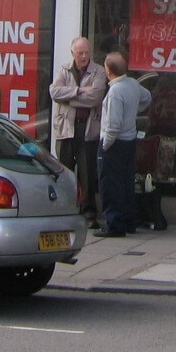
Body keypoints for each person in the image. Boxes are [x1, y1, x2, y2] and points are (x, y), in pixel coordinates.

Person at [49, 36, 107, 226]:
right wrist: (80, 91)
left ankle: (89, 213)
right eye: (80, 53)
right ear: (72, 53)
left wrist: (68, 96)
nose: (84, 56)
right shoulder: (64, 70)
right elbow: (54, 93)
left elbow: (95, 97)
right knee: (64, 171)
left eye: (87, 52)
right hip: (66, 127)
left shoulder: (98, 71)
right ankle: (65, 209)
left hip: (87, 127)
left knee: (87, 172)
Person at [96, 52, 151, 238]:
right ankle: (129, 222)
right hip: (130, 141)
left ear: (108, 70)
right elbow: (147, 97)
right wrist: (135, 109)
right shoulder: (133, 84)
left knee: (110, 185)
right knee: (126, 183)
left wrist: (105, 146)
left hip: (115, 143)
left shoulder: (115, 91)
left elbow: (113, 124)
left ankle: (114, 225)